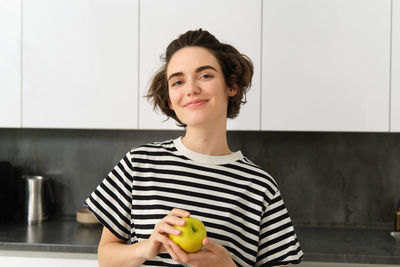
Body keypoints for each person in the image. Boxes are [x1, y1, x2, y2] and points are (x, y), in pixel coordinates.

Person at [85, 29, 303, 267]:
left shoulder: (260, 186)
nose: (191, 89)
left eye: (205, 76)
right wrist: (144, 248)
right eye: (178, 82)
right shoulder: (138, 164)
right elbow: (105, 257)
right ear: (170, 99)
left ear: (231, 86)